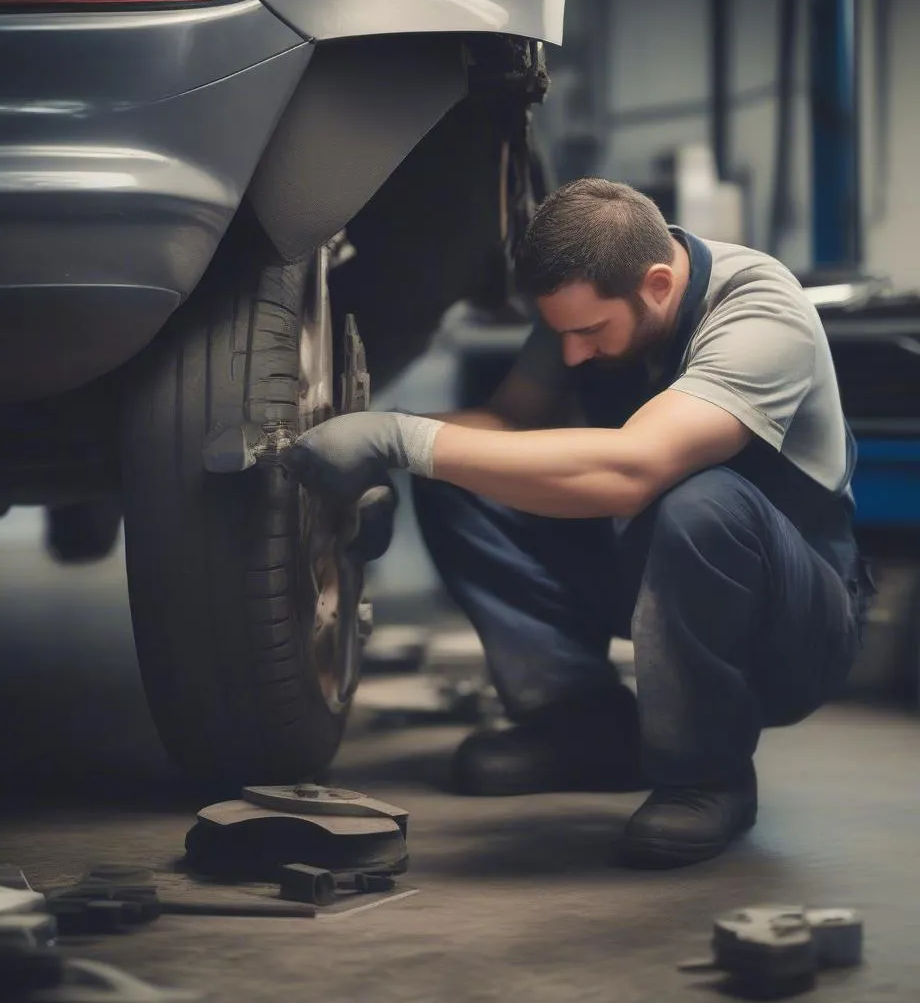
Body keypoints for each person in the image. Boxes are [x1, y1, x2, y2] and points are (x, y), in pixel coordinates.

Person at [282, 177, 873, 869]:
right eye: (561, 331)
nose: (571, 355)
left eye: (590, 332)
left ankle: (705, 773)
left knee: (700, 499)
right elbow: (504, 425)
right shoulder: (590, 303)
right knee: (465, 478)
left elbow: (637, 468)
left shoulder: (760, 311)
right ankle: (581, 725)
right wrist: (377, 448)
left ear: (657, 285)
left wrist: (399, 440)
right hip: (657, 568)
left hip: (795, 623)